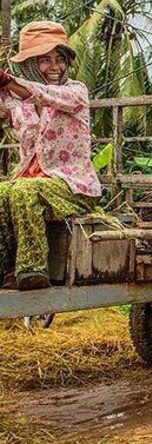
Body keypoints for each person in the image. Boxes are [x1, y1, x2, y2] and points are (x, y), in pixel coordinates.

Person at [0, 21, 101, 290]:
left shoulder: (75, 92)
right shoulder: (19, 104)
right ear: (30, 64)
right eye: (45, 60)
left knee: (23, 191)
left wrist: (9, 81)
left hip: (73, 187)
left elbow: (43, 94)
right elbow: (8, 103)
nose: (55, 67)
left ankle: (32, 270)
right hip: (32, 180)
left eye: (60, 59)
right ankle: (4, 270)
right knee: (3, 192)